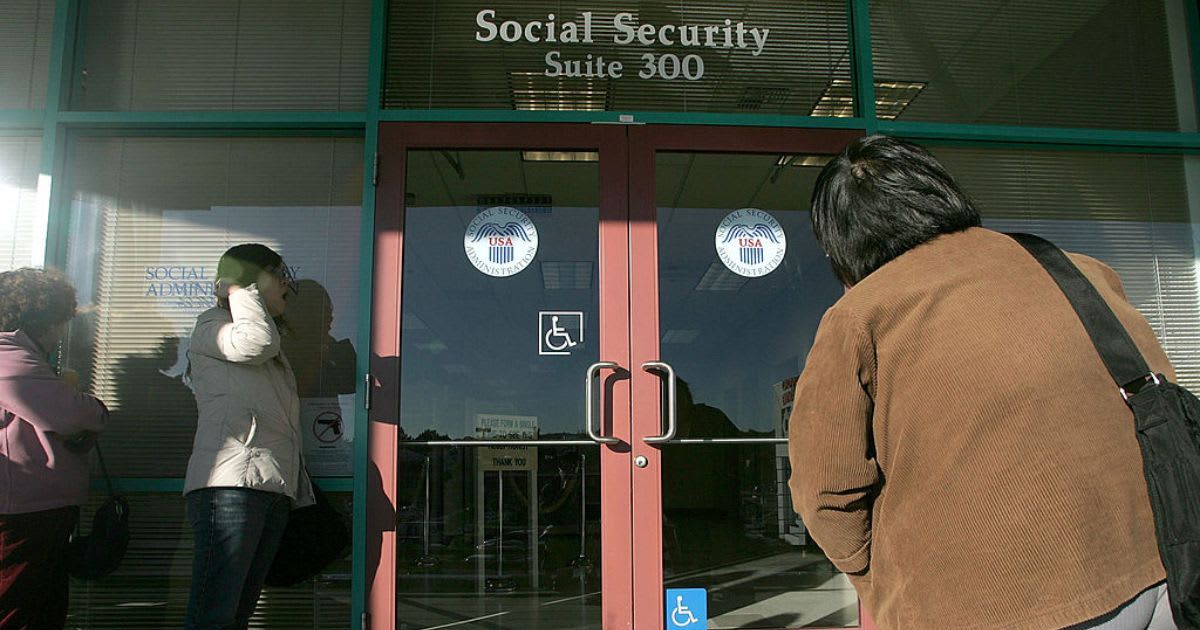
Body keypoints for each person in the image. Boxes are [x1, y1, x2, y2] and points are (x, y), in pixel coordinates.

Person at [788, 135, 1175, 629]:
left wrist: (884, 578)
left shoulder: (860, 316)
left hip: (993, 602)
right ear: (938, 191)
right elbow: (1162, 392)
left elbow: (824, 494)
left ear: (841, 240)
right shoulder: (1077, 269)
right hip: (1159, 566)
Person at [184, 244, 314, 629]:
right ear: (252, 281)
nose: (288, 287)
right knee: (215, 614)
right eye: (280, 276)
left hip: (266, 487)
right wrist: (238, 289)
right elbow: (256, 342)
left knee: (236, 614)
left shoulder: (271, 350)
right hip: (230, 488)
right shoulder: (212, 327)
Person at [0, 268, 108, 629]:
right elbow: (71, 414)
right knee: (24, 609)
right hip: (24, 511)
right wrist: (98, 410)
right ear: (42, 320)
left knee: (38, 606)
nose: (63, 331)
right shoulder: (9, 357)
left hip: (30, 507)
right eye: (61, 322)